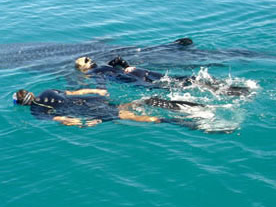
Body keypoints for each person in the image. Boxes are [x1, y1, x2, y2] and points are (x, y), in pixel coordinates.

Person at [13, 88, 207, 127]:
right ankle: (146, 101)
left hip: (86, 111)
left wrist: (81, 123)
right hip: (90, 101)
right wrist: (97, 90)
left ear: (22, 104)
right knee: (121, 106)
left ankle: (171, 121)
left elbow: (62, 119)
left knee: (125, 115)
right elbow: (76, 92)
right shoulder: (48, 91)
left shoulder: (36, 112)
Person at [75, 56, 250, 96]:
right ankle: (232, 87)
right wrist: (128, 67)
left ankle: (230, 92)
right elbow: (118, 59)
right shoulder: (106, 64)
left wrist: (100, 92)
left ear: (83, 68)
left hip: (134, 79)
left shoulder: (93, 72)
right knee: (181, 80)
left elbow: (101, 84)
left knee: (175, 86)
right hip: (139, 72)